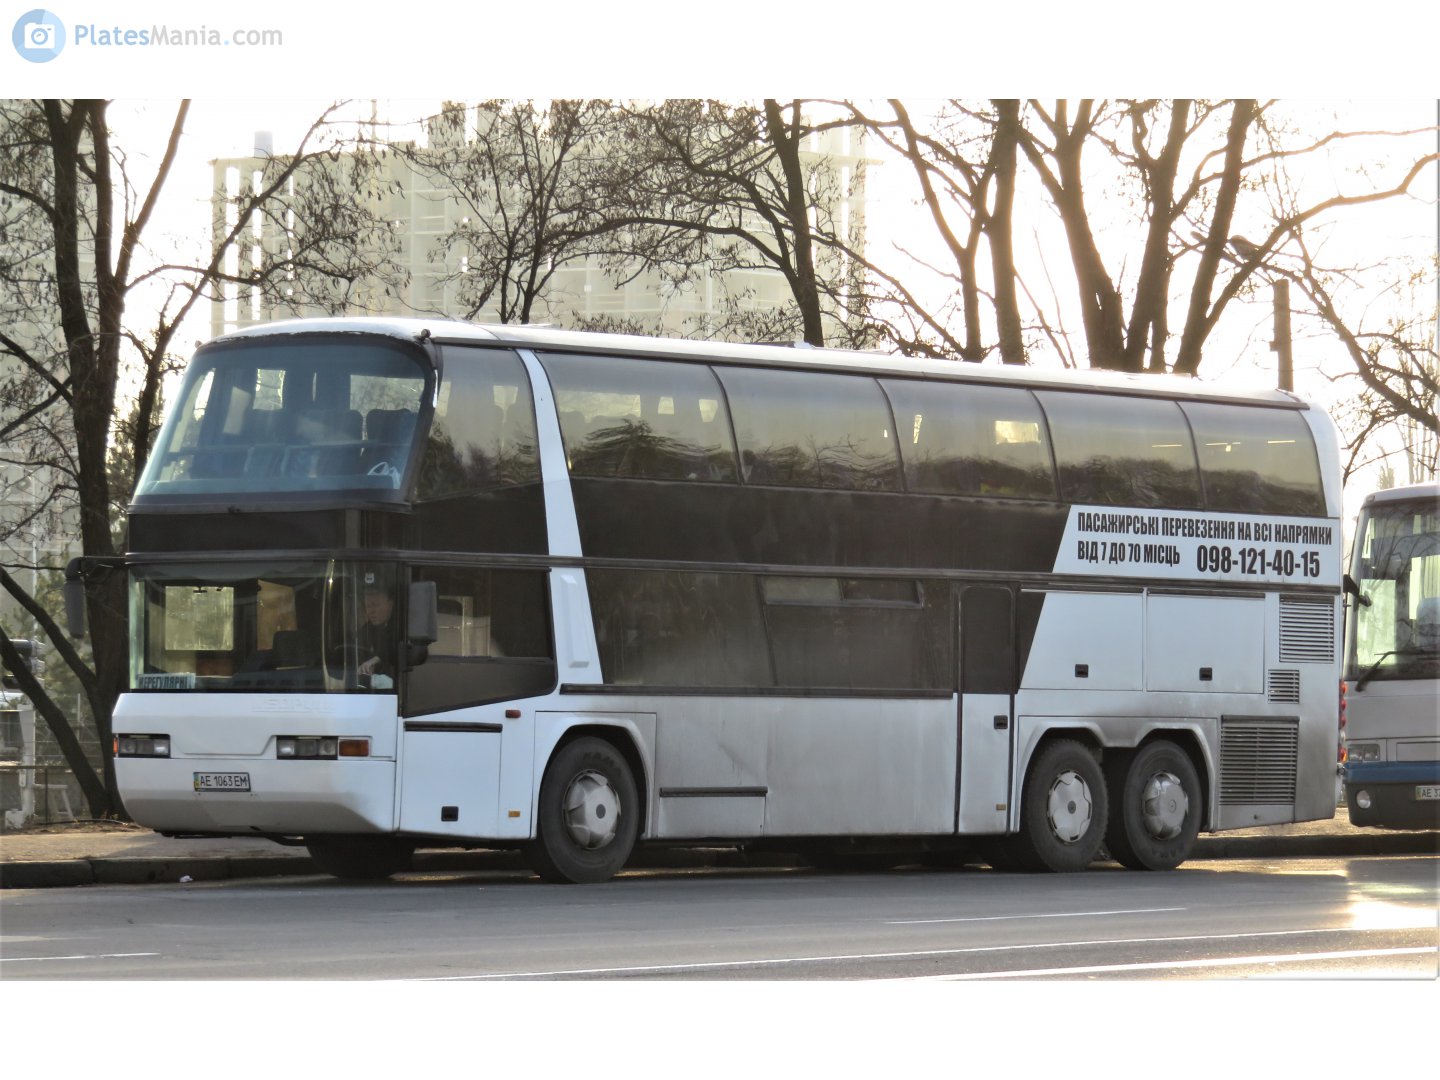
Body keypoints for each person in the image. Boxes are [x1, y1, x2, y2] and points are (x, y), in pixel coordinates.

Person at [357, 579, 398, 684]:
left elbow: (393, 648)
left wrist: (375, 660)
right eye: (368, 606)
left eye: (375, 605)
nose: (371, 611)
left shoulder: (399, 627)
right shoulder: (366, 629)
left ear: (390, 604)